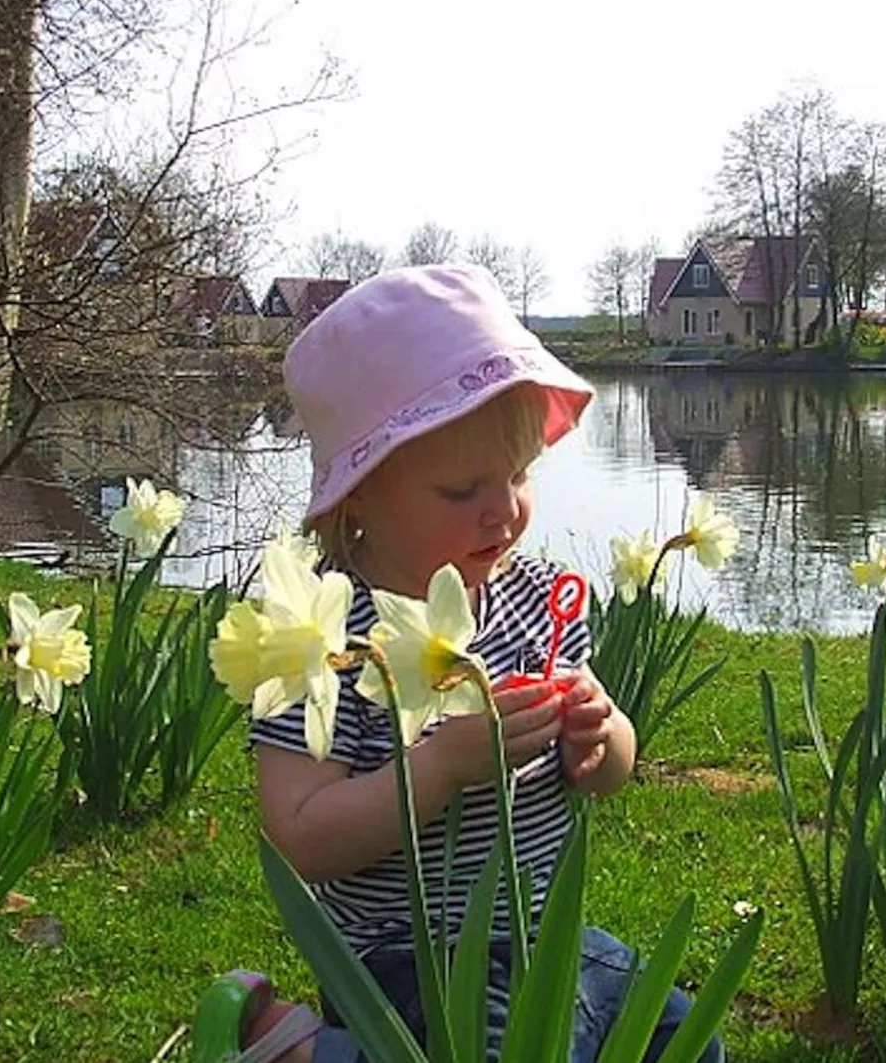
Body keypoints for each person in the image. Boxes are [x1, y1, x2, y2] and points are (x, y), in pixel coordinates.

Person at [204, 265, 723, 1063]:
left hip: (550, 935)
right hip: (409, 956)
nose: (504, 510)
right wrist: (438, 768)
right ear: (358, 500)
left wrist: (600, 735)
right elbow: (300, 835)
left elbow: (608, 772)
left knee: (690, 1041)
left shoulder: (537, 603)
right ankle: (298, 1049)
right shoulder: (322, 635)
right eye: (460, 490)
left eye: (518, 476)